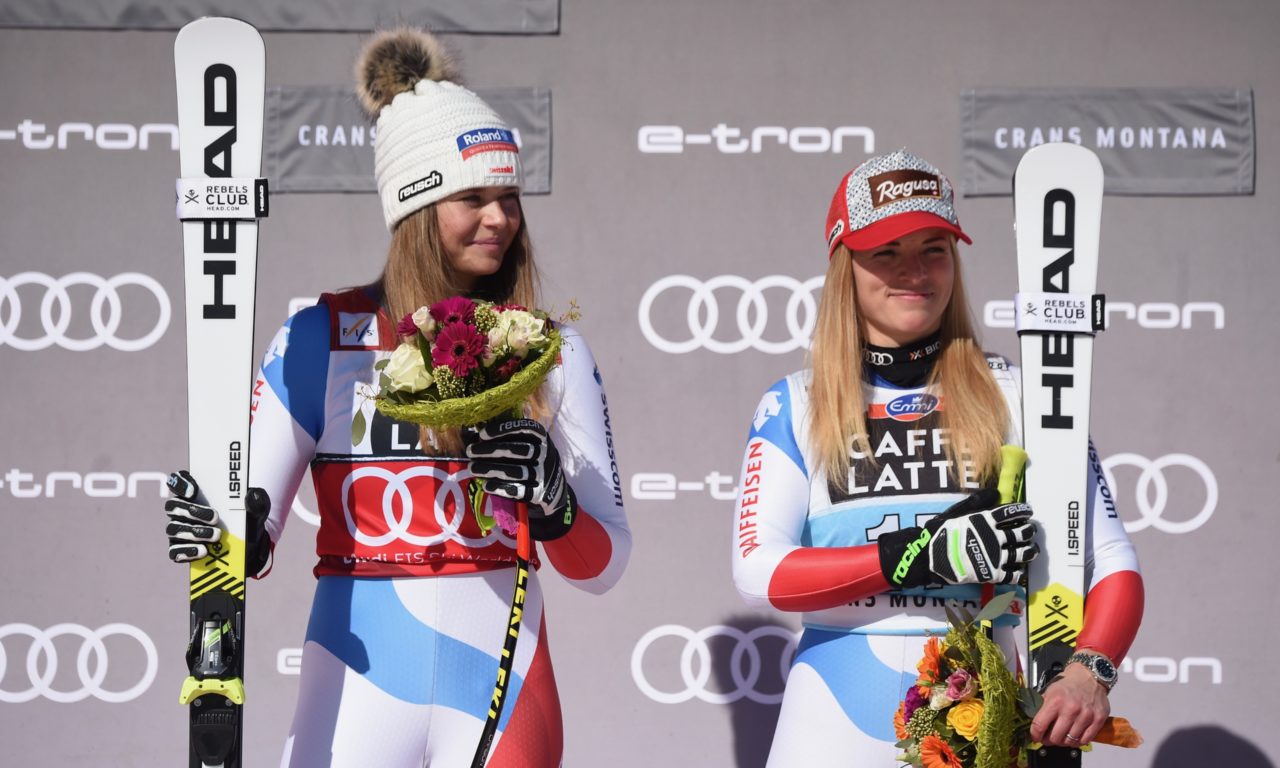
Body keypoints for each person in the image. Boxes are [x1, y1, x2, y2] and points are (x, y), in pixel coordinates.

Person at [163, 29, 630, 767]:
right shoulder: (319, 339)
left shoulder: (550, 350)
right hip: (357, 687)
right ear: (415, 206)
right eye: (473, 198)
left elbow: (603, 565)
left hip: (503, 688)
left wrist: (555, 505)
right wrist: (219, 529)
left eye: (509, 198)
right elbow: (248, 534)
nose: (502, 219)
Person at [731, 150, 1143, 765]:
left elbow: (1110, 560)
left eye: (934, 248)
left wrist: (1089, 672)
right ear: (846, 264)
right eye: (887, 252)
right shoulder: (797, 402)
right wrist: (924, 553)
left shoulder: (1020, 395)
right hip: (831, 714)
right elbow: (759, 571)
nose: (914, 272)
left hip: (981, 707)